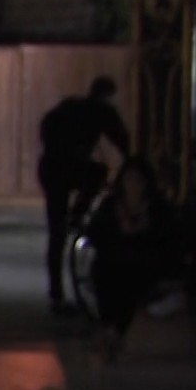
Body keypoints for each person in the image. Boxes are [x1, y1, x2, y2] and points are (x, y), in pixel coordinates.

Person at [39, 76, 130, 314]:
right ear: (108, 96)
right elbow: (122, 140)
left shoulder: (69, 106)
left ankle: (56, 295)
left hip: (50, 168)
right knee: (98, 173)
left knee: (56, 234)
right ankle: (78, 214)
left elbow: (45, 128)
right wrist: (131, 165)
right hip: (68, 168)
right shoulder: (103, 111)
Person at [85, 159, 179, 362]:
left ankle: (114, 331)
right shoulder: (112, 205)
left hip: (145, 263)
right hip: (112, 260)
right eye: (129, 179)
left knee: (130, 277)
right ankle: (110, 328)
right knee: (106, 274)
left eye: (138, 180)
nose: (133, 185)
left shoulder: (157, 208)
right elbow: (95, 232)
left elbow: (167, 240)